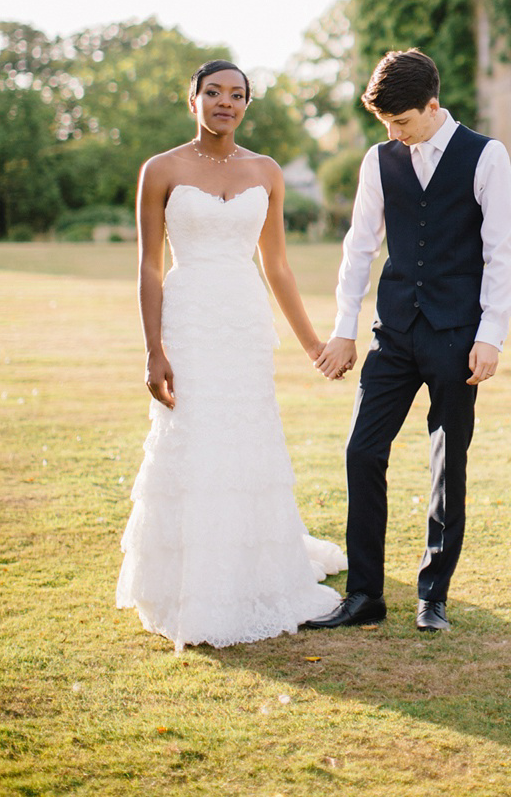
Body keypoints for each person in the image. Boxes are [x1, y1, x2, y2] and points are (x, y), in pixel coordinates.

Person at [116, 59, 344, 651]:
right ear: (191, 99)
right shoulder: (161, 169)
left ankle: (254, 569)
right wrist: (153, 350)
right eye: (213, 92)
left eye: (237, 94)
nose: (225, 102)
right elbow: (149, 264)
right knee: (191, 437)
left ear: (247, 105)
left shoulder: (266, 171)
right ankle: (188, 581)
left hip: (244, 321)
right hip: (188, 319)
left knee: (246, 436)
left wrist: (314, 343)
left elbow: (277, 266)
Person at [307, 48, 511, 632]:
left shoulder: (485, 156)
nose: (394, 134)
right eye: (386, 125)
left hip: (458, 334)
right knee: (362, 451)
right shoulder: (380, 161)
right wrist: (343, 330)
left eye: (401, 122)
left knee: (447, 461)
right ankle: (365, 596)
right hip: (394, 332)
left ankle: (433, 596)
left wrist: (491, 335)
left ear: (432, 105)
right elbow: (359, 247)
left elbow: (501, 251)